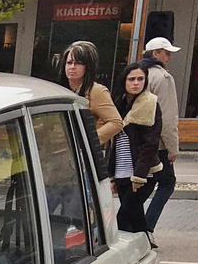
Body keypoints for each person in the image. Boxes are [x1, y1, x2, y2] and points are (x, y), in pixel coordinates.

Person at [109, 63, 162, 240]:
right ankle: (145, 245)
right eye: (131, 79)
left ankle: (126, 249)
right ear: (124, 81)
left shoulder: (150, 103)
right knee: (135, 218)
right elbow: (114, 142)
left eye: (140, 79)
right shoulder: (119, 103)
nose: (136, 83)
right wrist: (112, 175)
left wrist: (139, 176)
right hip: (121, 172)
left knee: (122, 219)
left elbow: (151, 143)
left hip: (142, 174)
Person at [136, 36, 181, 233]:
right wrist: (172, 148)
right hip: (158, 142)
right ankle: (146, 227)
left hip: (136, 138)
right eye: (167, 53)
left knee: (145, 181)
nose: (169, 57)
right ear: (156, 54)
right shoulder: (162, 78)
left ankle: (131, 222)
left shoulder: (136, 74)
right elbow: (168, 115)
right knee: (167, 183)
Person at [61, 40, 124, 173]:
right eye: (69, 62)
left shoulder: (96, 91)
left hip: (77, 161)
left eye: (78, 63)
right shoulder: (59, 88)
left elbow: (116, 122)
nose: (72, 67)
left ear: (88, 66)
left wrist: (87, 141)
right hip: (53, 156)